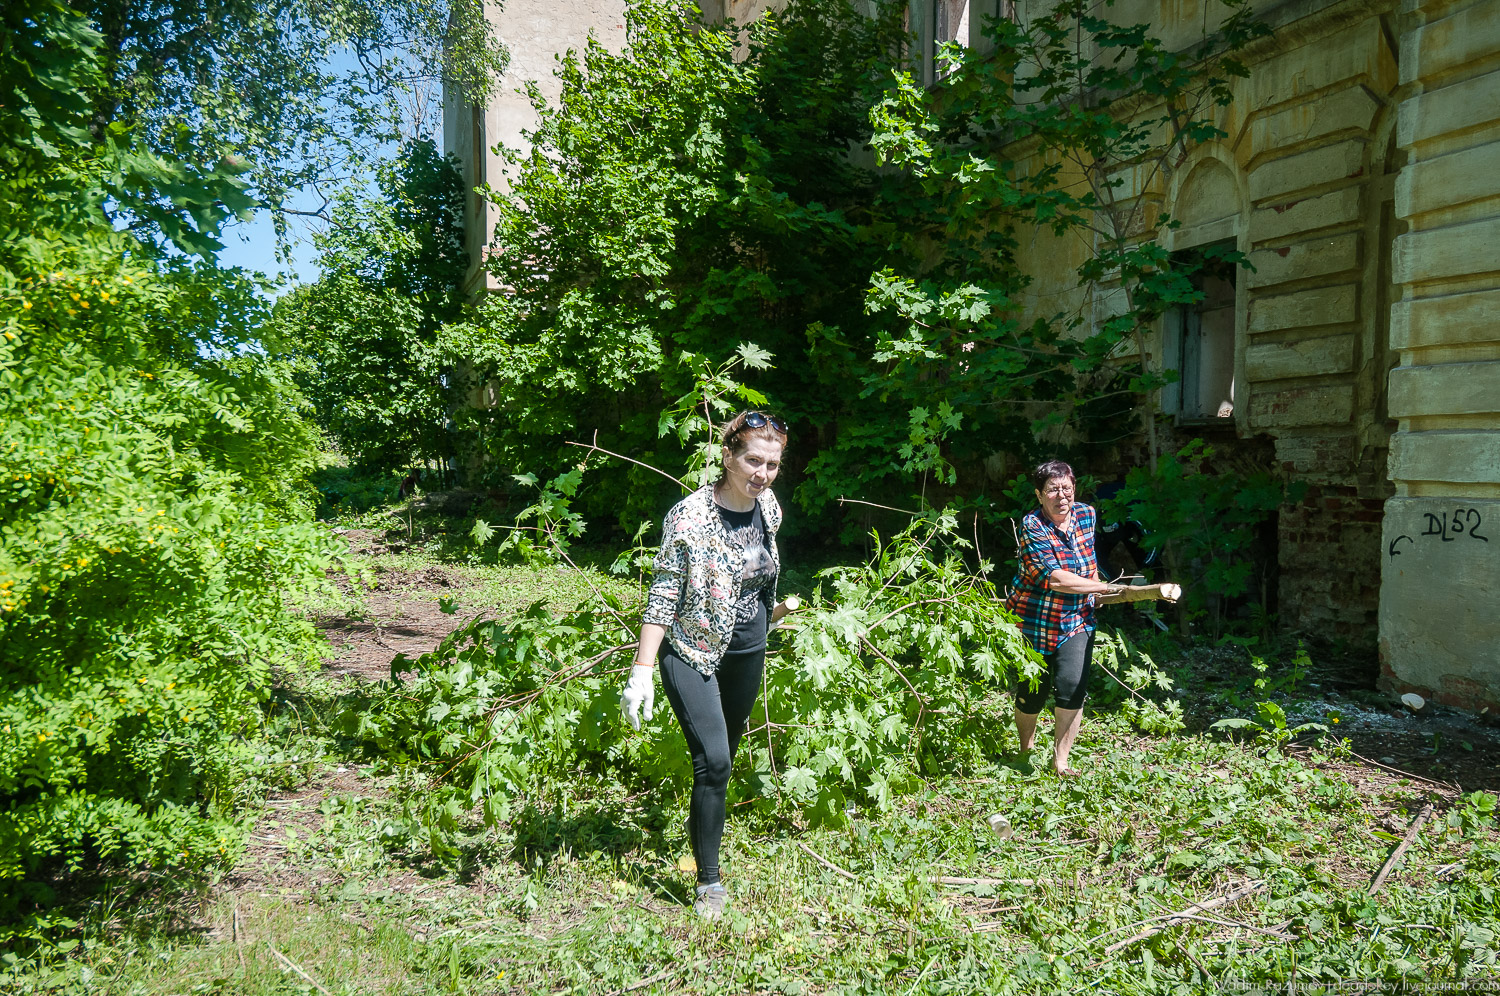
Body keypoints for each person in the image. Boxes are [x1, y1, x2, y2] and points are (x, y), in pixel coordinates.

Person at [620, 411, 797, 920]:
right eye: (752, 460)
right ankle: (709, 884)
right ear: (728, 456)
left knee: (722, 760)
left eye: (771, 464)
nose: (761, 474)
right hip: (691, 652)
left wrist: (775, 613)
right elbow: (664, 592)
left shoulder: (769, 509)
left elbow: (758, 576)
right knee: (715, 761)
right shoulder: (690, 516)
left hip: (747, 651)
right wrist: (643, 669)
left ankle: (702, 837)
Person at [1003, 459, 1176, 776]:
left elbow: (1087, 558)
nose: (1061, 496)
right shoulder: (1032, 526)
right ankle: (1025, 751)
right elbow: (1054, 578)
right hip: (1033, 620)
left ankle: (1061, 761)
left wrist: (1094, 588)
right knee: (1032, 691)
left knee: (1073, 686)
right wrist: (1102, 587)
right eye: (1052, 490)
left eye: (1066, 488)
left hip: (1076, 619)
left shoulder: (1086, 515)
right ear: (1039, 495)